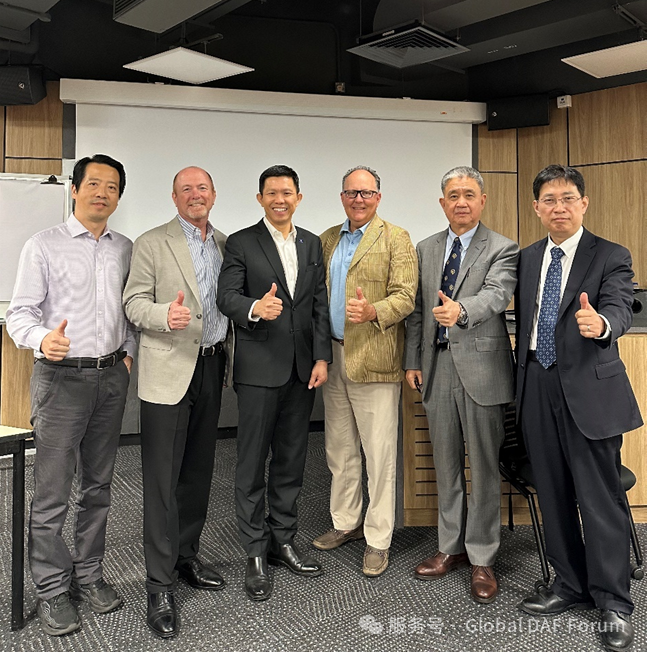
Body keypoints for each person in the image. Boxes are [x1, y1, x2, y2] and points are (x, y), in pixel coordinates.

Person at [515, 165, 642, 652]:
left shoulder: (610, 254)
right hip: (537, 384)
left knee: (599, 498)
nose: (559, 207)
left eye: (568, 198)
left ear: (584, 203)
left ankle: (613, 601)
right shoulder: (528, 258)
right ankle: (569, 584)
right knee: (552, 493)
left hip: (589, 388)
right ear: (537, 208)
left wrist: (602, 324)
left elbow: (620, 306)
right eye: (549, 200)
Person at [6, 154, 133, 636]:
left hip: (110, 378)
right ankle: (52, 588)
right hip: (60, 380)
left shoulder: (125, 249)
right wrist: (43, 339)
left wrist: (127, 354)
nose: (103, 192)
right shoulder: (43, 245)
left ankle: (89, 573)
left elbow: (130, 309)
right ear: (75, 189)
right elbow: (19, 314)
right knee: (53, 492)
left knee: (98, 487)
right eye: (94, 183)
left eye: (112, 186)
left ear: (119, 196)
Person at [123, 166, 233, 638]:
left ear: (214, 194)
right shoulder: (152, 242)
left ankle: (186, 557)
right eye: (186, 189)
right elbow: (133, 303)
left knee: (197, 473)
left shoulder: (225, 244)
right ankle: (159, 583)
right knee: (162, 481)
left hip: (211, 366)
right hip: (168, 372)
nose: (195, 194)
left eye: (202, 187)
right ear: (173, 197)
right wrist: (163, 315)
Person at [404, 166, 518, 604]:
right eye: (453, 195)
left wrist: (462, 311)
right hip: (436, 369)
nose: (461, 202)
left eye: (469, 194)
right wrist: (413, 361)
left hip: (483, 370)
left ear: (482, 200)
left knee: (484, 468)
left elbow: (496, 295)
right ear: (442, 202)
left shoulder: (503, 247)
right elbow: (418, 311)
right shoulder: (426, 248)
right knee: (445, 464)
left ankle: (483, 556)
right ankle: (449, 547)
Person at [216, 164, 331, 602]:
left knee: (291, 460)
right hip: (259, 370)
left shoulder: (311, 242)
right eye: (271, 193)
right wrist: (254, 308)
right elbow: (226, 296)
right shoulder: (242, 242)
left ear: (298, 198)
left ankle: (283, 540)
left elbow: (318, 304)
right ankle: (254, 551)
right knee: (251, 463)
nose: (279, 199)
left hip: (302, 370)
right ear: (260, 198)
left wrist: (321, 356)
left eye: (287, 192)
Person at [313, 166, 417, 576]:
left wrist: (374, 311)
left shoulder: (397, 237)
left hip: (375, 359)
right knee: (339, 450)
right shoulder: (326, 239)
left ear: (378, 197)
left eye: (366, 192)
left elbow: (406, 296)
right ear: (342, 197)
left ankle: (378, 539)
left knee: (379, 455)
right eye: (352, 193)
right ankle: (346, 523)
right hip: (334, 357)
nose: (359, 199)